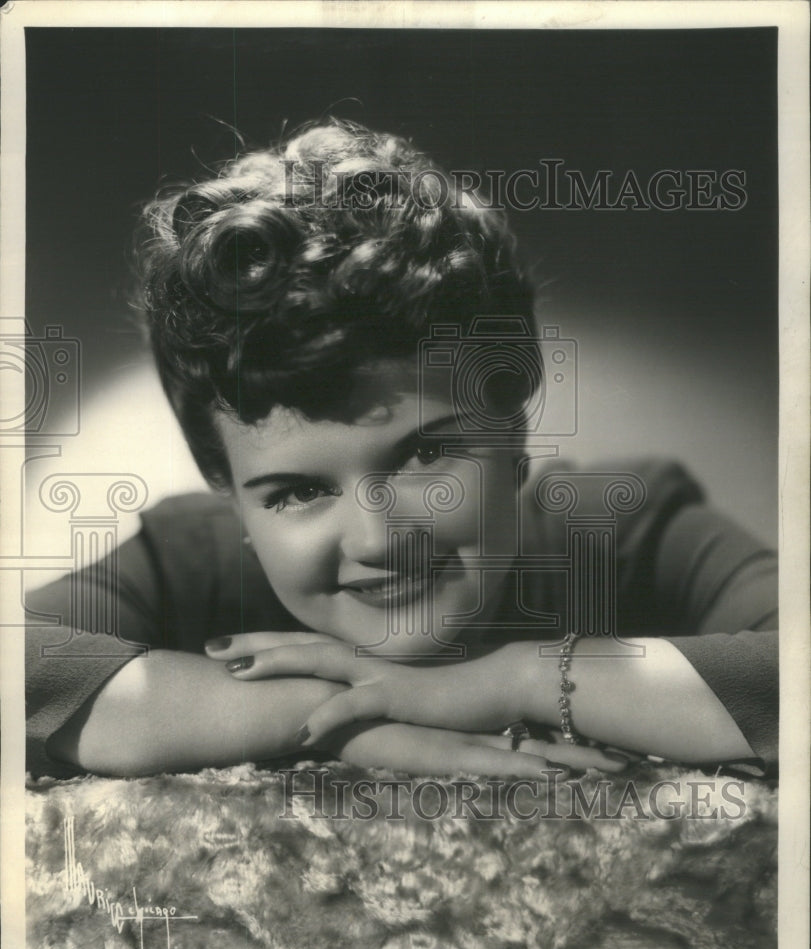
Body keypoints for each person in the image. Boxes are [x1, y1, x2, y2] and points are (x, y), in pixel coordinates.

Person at [25, 120, 778, 781]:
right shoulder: (189, 559)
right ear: (228, 493)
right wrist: (335, 714)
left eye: (424, 455)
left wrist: (516, 679)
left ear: (513, 433)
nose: (379, 537)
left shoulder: (618, 529)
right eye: (295, 492)